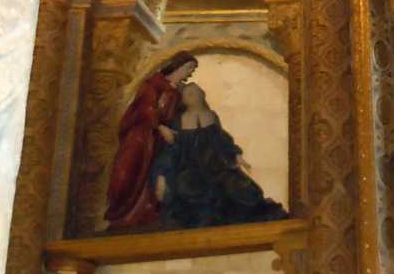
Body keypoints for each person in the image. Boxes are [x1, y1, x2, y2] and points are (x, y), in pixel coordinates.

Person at [152, 83, 287, 229]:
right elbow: (171, 149)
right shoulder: (179, 121)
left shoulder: (211, 116)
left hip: (217, 167)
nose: (192, 97)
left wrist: (236, 155)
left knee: (243, 188)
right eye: (187, 94)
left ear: (202, 95)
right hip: (191, 169)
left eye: (194, 93)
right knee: (193, 191)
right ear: (183, 100)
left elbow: (222, 140)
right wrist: (162, 175)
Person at [104, 53, 197, 229]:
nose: (190, 73)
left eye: (192, 69)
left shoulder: (178, 92)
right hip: (141, 135)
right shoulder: (153, 84)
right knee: (129, 170)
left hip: (160, 140)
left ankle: (146, 215)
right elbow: (146, 108)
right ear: (176, 66)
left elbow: (179, 115)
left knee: (154, 174)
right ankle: (119, 213)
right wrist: (160, 127)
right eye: (188, 68)